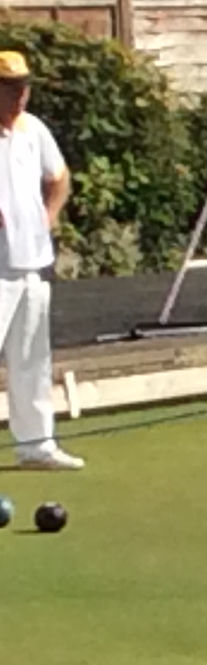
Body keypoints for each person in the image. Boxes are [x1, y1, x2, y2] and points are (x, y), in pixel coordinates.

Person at [0, 51, 78, 471]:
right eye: (10, 88)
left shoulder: (33, 129)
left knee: (32, 355)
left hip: (32, 261)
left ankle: (36, 444)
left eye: (23, 87)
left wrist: (48, 217)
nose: (20, 96)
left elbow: (59, 176)